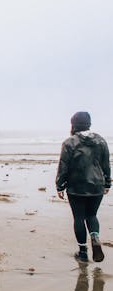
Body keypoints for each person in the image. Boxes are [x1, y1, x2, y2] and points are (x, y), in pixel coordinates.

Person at [56, 111, 111, 263]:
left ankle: (82, 252)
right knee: (92, 215)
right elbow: (106, 163)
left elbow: (64, 166)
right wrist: (108, 182)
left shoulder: (70, 142)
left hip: (76, 186)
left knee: (79, 217)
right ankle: (94, 236)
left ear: (73, 124)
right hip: (97, 185)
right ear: (89, 123)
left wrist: (59, 185)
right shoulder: (101, 141)